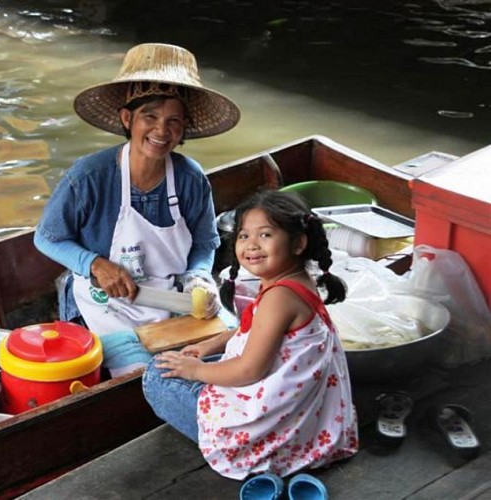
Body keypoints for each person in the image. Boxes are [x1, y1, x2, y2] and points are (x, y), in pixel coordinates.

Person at [34, 43, 241, 376]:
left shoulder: (190, 178)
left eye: (174, 121)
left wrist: (200, 278)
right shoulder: (90, 176)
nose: (162, 131)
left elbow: (205, 244)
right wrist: (95, 264)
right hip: (105, 305)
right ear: (127, 118)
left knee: (236, 350)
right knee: (145, 379)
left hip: (174, 301)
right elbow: (47, 239)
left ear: (184, 127)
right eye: (150, 116)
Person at [142, 189, 358, 480]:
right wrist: (214, 342)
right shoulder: (295, 281)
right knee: (190, 363)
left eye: (265, 235)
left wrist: (196, 371)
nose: (251, 245)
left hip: (269, 432)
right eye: (244, 236)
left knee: (156, 374)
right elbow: (255, 331)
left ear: (298, 243)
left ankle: (253, 455)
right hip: (304, 419)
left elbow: (249, 369)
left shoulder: (279, 298)